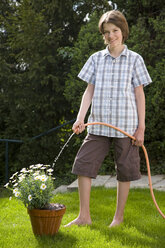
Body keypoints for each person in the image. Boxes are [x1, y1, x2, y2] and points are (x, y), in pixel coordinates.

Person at [65, 10, 152, 228]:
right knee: (84, 165)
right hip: (98, 124)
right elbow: (89, 91)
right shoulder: (96, 59)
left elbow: (139, 94)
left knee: (125, 170)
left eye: (115, 31)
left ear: (123, 31)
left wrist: (141, 128)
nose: (111, 35)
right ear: (102, 35)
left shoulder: (135, 59)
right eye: (106, 32)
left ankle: (118, 218)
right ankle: (84, 216)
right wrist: (80, 117)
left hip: (126, 127)